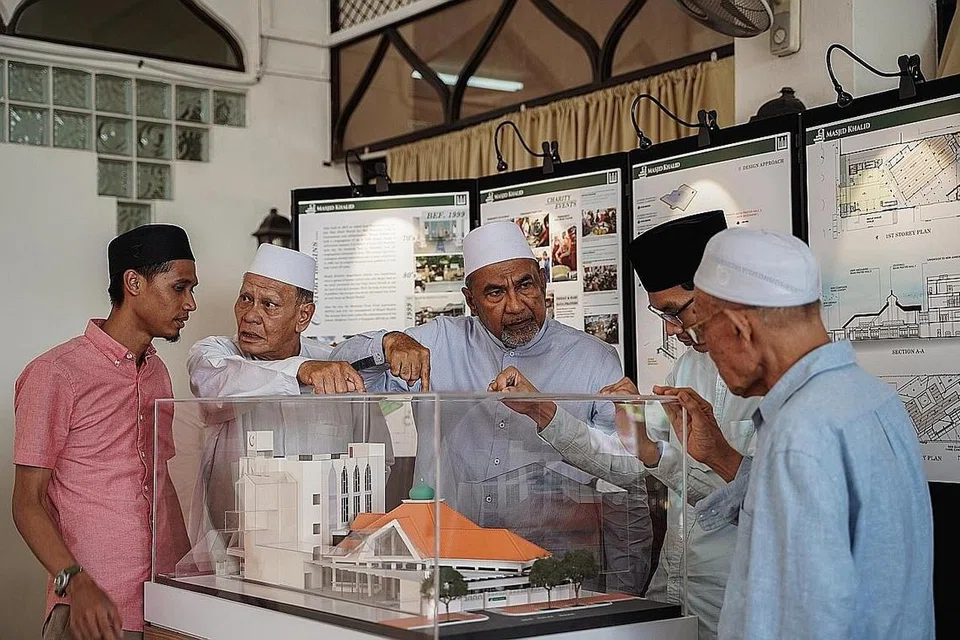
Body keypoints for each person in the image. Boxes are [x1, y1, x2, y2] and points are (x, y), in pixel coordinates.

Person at [332, 220, 653, 593]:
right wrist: (388, 342)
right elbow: (339, 367)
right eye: (496, 293)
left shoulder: (595, 360)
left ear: (543, 280)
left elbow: (627, 478)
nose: (516, 305)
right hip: (450, 563)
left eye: (525, 285)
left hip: (555, 570)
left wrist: (625, 593)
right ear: (471, 300)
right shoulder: (439, 341)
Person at [681, 228, 934, 639]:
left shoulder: (799, 432)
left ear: (739, 328)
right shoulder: (876, 399)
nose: (705, 349)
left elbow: (806, 616)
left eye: (702, 335)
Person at [537, 210, 759, 639]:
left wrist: (697, 456)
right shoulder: (688, 368)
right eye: (663, 316)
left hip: (737, 595)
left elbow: (759, 503)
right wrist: (546, 415)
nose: (673, 330)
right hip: (674, 584)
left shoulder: (780, 383)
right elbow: (634, 465)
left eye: (678, 313)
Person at [13, 224, 197, 640]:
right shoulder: (54, 374)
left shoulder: (157, 372)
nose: (191, 303)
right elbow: (27, 504)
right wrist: (75, 582)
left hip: (163, 608)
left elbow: (160, 484)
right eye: (179, 288)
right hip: (93, 612)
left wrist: (190, 577)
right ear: (133, 282)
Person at [186, 244, 394, 541]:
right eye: (245, 298)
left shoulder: (335, 367)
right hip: (237, 548)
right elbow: (217, 384)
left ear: (303, 316)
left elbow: (378, 459)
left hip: (327, 547)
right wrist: (300, 370)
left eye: (269, 304)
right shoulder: (215, 354)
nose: (250, 315)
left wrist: (349, 531)